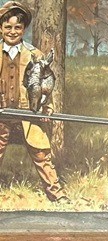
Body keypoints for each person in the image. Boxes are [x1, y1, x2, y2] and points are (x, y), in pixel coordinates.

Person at [0, 1, 66, 202]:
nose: (12, 32)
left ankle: (57, 195)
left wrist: (46, 109)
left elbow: (46, 86)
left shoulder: (35, 55)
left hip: (29, 112)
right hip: (1, 115)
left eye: (17, 27)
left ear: (24, 29)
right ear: (0, 28)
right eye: (8, 27)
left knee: (41, 153)